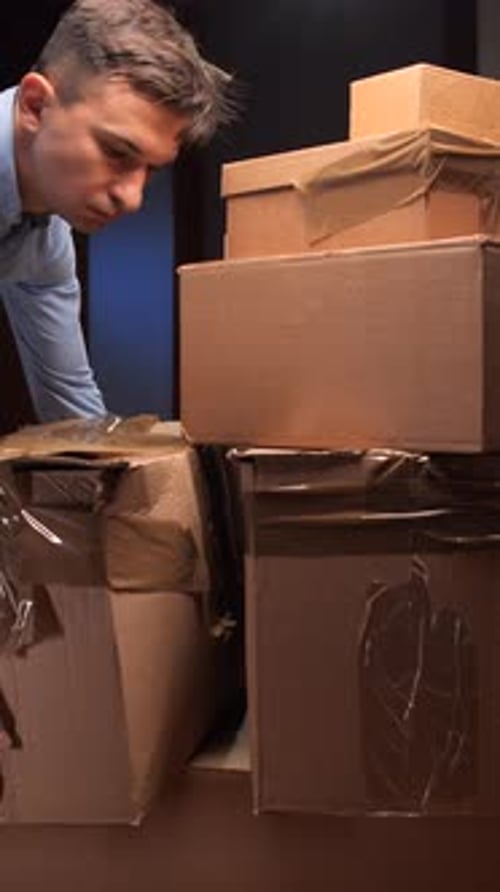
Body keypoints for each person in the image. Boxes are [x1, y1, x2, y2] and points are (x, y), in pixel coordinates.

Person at [0, 0, 231, 422]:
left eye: (151, 170)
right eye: (116, 152)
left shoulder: (44, 242)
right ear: (35, 105)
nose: (133, 199)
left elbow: (70, 403)